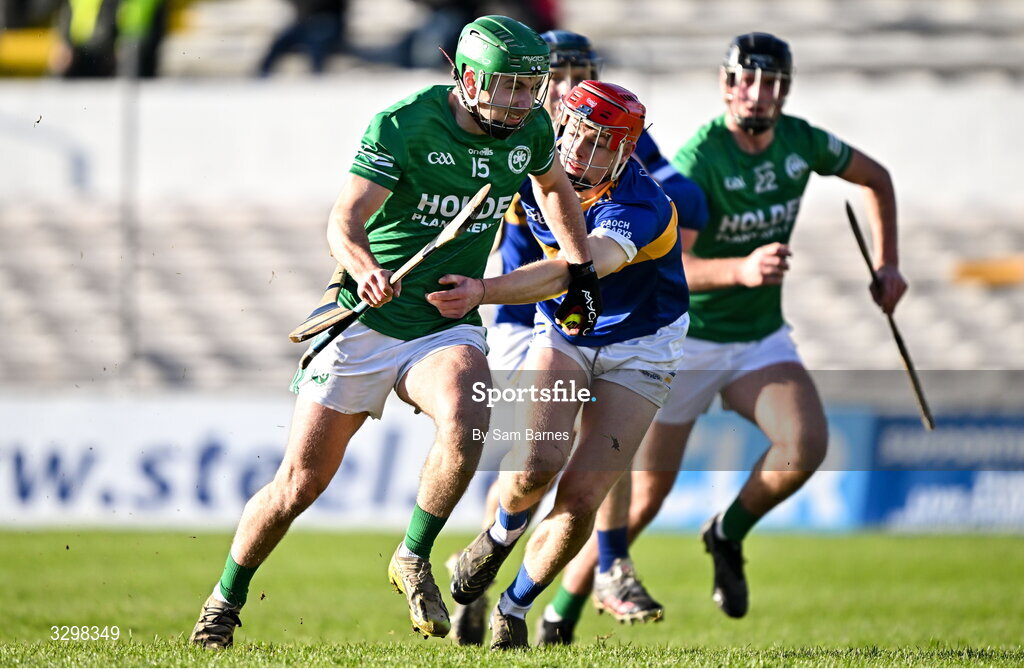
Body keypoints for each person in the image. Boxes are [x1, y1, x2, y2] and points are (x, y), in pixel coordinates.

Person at [187, 15, 602, 649]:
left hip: (445, 320)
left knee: (467, 417)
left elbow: (554, 193)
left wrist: (578, 271)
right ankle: (225, 599)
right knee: (299, 484)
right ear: (466, 78)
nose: (522, 102)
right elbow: (345, 220)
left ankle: (413, 555)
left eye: (529, 87)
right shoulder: (404, 122)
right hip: (368, 319)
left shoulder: (534, 129)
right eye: (507, 86)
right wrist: (367, 269)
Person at [598, 31, 909, 628]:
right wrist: (741, 269)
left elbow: (878, 179)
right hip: (685, 341)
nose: (759, 93)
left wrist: (888, 263)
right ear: (726, 84)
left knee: (806, 445)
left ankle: (726, 533)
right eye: (747, 79)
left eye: (773, 83)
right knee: (643, 500)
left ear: (785, 91)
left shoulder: (801, 141)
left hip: (759, 338)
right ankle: (560, 607)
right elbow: (674, 265)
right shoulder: (697, 160)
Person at [444, 28, 710, 647]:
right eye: (578, 135)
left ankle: (514, 606)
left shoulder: (643, 204)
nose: (583, 153)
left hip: (641, 344)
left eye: (603, 145)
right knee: (535, 463)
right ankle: (498, 537)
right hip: (564, 328)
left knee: (585, 492)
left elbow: (579, 264)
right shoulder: (535, 152)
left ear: (627, 152)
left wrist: (482, 290)